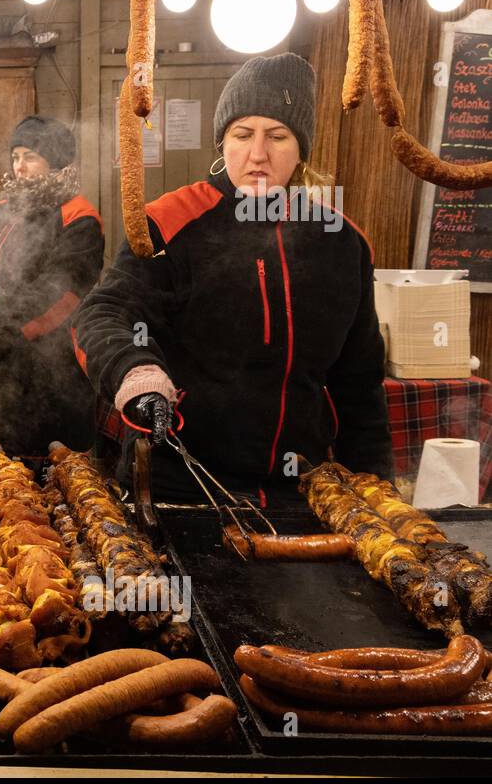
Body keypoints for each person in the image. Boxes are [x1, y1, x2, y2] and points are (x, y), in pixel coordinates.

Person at [73, 53, 391, 503]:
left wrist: (377, 489)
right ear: (222, 144)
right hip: (180, 484)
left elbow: (360, 383)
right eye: (242, 135)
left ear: (302, 148)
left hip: (301, 491)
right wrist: (136, 370)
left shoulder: (341, 242)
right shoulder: (168, 223)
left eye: (278, 136)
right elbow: (102, 314)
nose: (258, 153)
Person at [0, 115, 104, 455]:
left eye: (30, 156)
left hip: (47, 372)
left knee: (42, 472)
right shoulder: (1, 209)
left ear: (56, 161)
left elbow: (63, 291)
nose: (19, 166)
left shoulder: (78, 217)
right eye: (15, 156)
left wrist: (13, 332)